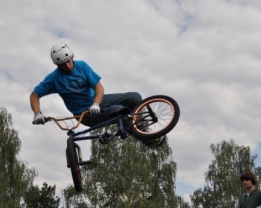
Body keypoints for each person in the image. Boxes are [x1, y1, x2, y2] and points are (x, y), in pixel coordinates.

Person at [30, 43, 166, 147]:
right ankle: (145, 138)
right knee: (118, 110)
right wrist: (37, 113)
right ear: (58, 65)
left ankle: (137, 126)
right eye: (63, 64)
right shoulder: (54, 79)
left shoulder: (82, 66)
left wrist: (96, 103)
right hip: (84, 114)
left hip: (99, 101)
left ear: (72, 56)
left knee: (135, 97)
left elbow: (98, 87)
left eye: (69, 60)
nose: (68, 65)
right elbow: (35, 95)